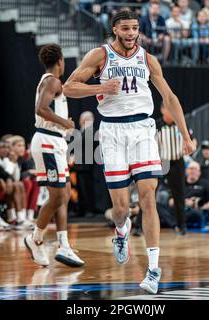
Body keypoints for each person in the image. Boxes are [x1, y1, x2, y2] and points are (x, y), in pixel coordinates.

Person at [63, 10, 195, 294]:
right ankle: (121, 230)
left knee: (148, 195)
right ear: (114, 29)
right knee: (121, 209)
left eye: (135, 28)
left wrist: (185, 135)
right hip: (111, 132)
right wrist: (100, 87)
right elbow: (68, 87)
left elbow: (169, 98)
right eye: (125, 28)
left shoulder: (148, 59)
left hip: (143, 130)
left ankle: (153, 269)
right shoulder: (100, 56)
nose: (131, 33)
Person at [24, 44, 85, 269]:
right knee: (58, 196)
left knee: (65, 194)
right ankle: (35, 238)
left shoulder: (51, 81)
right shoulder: (52, 81)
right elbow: (41, 109)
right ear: (60, 61)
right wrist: (65, 122)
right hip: (48, 140)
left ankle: (64, 245)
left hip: (54, 141)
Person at [156, 104, 187, 235]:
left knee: (179, 195)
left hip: (176, 162)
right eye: (168, 109)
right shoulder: (156, 125)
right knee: (149, 194)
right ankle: (139, 227)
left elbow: (191, 138)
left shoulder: (180, 123)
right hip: (159, 162)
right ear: (162, 110)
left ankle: (182, 226)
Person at [182, 161, 209, 228]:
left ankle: (176, 223)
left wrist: (201, 207)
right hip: (181, 209)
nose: (193, 171)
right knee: (159, 208)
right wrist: (184, 202)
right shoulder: (180, 183)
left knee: (196, 212)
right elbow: (171, 201)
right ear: (186, 171)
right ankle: (175, 224)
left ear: (199, 172)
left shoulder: (206, 184)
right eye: (191, 168)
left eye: (195, 169)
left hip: (197, 210)